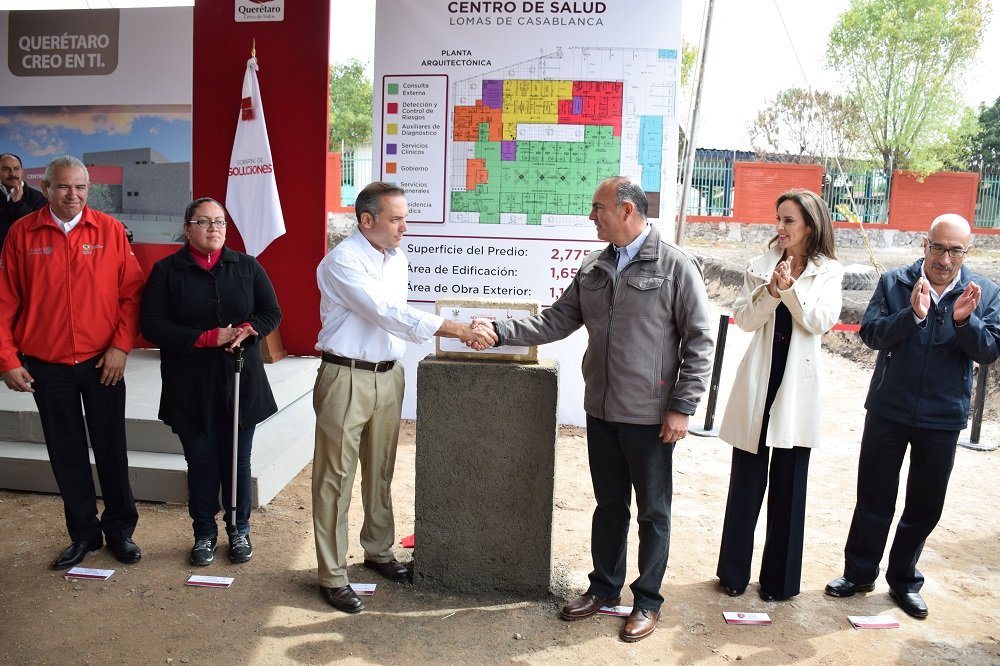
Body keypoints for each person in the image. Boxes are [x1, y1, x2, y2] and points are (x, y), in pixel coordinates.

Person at [488, 176, 714, 642]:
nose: (592, 216)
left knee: (653, 512)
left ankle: (647, 600)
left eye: (598, 208)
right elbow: (556, 320)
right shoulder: (594, 267)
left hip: (651, 416)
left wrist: (683, 406)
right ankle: (605, 588)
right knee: (609, 506)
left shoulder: (675, 265)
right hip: (602, 411)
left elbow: (699, 342)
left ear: (627, 210)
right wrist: (499, 330)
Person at [313, 182, 496, 614]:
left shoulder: (396, 259)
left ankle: (378, 552)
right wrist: (456, 328)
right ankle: (333, 576)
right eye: (396, 219)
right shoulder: (342, 262)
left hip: (388, 375)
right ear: (366, 220)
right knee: (335, 478)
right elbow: (386, 312)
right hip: (346, 376)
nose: (404, 227)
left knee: (381, 470)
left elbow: (396, 320)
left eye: (405, 218)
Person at [825, 213, 1000, 619]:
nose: (944, 259)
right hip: (889, 407)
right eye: (937, 247)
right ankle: (859, 573)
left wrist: (965, 321)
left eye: (954, 250)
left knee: (925, 504)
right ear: (925, 244)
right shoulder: (895, 282)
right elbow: (871, 334)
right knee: (874, 495)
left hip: (943, 416)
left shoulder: (985, 292)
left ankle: (903, 580)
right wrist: (913, 316)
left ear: (967, 252)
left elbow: (989, 351)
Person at [0, 155, 144, 569]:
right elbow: (5, 300)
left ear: (88, 189)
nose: (73, 195)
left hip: (103, 363)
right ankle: (83, 534)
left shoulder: (109, 230)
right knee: (66, 453)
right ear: (45, 188)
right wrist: (7, 359)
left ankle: (120, 531)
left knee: (112, 449)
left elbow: (131, 295)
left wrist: (120, 347)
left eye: (80, 187)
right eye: (63, 186)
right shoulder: (22, 233)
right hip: (47, 365)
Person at [715, 189, 844, 601]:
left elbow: (821, 321)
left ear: (810, 225)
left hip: (797, 388)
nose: (780, 227)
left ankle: (779, 582)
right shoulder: (760, 265)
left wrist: (790, 291)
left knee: (789, 488)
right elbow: (745, 319)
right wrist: (771, 292)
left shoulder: (829, 271)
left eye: (789, 220)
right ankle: (732, 575)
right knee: (745, 485)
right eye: (779, 218)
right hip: (760, 380)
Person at [140, 197, 281, 566]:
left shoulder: (248, 266)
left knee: (238, 461)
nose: (214, 228)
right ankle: (204, 533)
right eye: (203, 221)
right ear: (187, 228)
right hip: (189, 385)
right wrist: (205, 338)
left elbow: (271, 312)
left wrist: (249, 328)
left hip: (240, 379)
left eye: (219, 221)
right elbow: (152, 325)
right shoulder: (166, 271)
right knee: (201, 462)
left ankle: (239, 529)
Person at [1, 152, 47, 247]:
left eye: (16, 169)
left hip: (26, 253)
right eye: (6, 169)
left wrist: (19, 204)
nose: (12, 174)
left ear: (22, 171)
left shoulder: (39, 198)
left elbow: (39, 229)